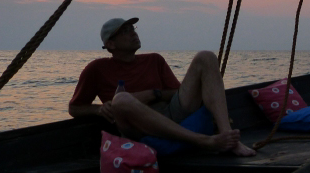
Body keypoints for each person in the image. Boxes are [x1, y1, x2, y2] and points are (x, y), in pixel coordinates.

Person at [68, 17, 255, 156]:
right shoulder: (97, 69)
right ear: (110, 44)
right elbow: (75, 108)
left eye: (133, 28)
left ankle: (229, 138)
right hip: (138, 126)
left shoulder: (154, 60)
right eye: (125, 31)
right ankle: (204, 141)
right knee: (121, 100)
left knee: (206, 56)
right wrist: (99, 109)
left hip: (169, 112)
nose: (133, 33)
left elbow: (176, 92)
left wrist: (152, 94)